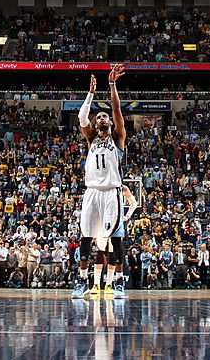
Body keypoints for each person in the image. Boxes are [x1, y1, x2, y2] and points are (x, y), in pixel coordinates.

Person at [71, 66, 129, 300]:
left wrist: (112, 85)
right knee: (85, 236)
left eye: (105, 117)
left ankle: (118, 283)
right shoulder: (90, 138)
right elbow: (82, 117)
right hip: (92, 192)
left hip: (112, 193)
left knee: (116, 239)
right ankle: (81, 282)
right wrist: (91, 94)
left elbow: (116, 109)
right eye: (100, 116)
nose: (103, 117)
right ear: (96, 125)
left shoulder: (118, 137)